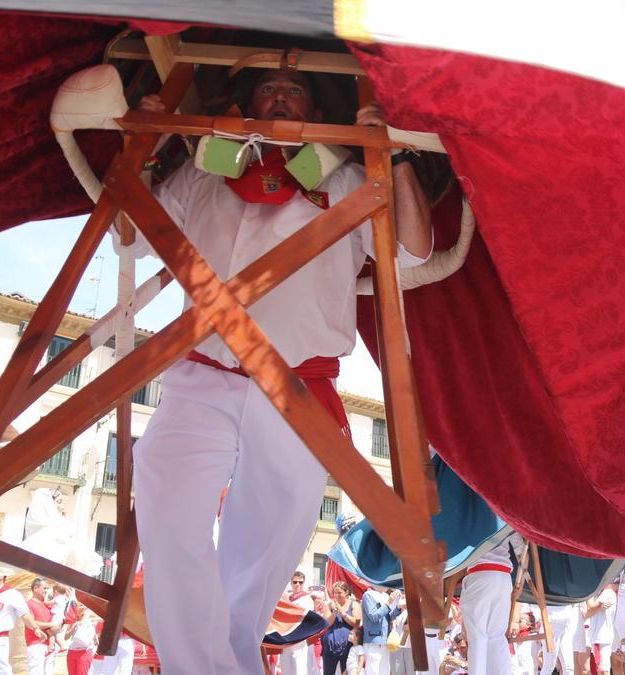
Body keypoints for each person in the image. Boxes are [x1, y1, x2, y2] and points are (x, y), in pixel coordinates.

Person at [128, 65, 432, 675]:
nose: (281, 93)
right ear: (246, 101)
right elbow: (129, 234)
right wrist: (146, 144)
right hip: (203, 374)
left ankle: (231, 662)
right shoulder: (200, 173)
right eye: (268, 85)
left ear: (316, 107)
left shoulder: (350, 178)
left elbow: (414, 248)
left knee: (268, 546)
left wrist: (392, 154)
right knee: (165, 505)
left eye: (295, 88)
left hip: (298, 387)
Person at [460, 533, 523, 675]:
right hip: (503, 577)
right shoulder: (506, 511)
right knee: (497, 637)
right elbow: (522, 552)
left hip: (480, 574)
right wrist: (522, 582)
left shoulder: (470, 511)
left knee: (478, 637)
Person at [0, 572, 30, 675]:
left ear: (2, 576)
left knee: (1, 673)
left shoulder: (12, 594)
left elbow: (25, 614)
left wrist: (36, 628)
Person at [280, 571, 318, 675]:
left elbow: (298, 615)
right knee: (286, 670)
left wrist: (286, 603)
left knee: (299, 670)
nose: (297, 584)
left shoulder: (306, 599)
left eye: (300, 582)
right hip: (285, 640)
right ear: (291, 583)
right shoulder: (287, 597)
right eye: (295, 582)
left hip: (299, 639)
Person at [321, 581, 362, 674]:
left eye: (339, 593)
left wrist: (342, 612)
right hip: (330, 646)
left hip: (347, 647)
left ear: (346, 592)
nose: (336, 595)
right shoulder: (330, 605)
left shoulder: (354, 604)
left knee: (346, 672)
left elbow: (356, 623)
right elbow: (327, 623)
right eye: (335, 592)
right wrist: (335, 611)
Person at [361, 586, 402, 675]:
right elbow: (374, 616)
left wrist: (398, 607)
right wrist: (388, 603)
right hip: (373, 641)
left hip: (385, 641)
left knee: (385, 671)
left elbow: (389, 616)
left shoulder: (385, 596)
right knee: (374, 671)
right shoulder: (368, 595)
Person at [25, 577, 61, 675]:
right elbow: (30, 622)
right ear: (35, 588)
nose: (46, 591)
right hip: (35, 644)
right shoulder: (29, 604)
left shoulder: (46, 605)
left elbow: (54, 625)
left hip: (49, 645)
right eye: (44, 588)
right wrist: (51, 625)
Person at [585, 583, 618, 675]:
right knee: (601, 669)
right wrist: (598, 608)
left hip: (601, 636)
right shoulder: (597, 595)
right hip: (597, 636)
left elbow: (590, 608)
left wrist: (589, 595)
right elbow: (586, 614)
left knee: (603, 670)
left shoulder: (608, 593)